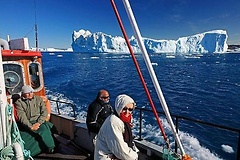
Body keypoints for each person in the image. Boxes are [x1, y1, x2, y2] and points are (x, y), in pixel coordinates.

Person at [15, 85, 57, 156]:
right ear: (23, 94)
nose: (30, 94)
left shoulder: (38, 99)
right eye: (28, 93)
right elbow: (22, 117)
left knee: (44, 130)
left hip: (38, 121)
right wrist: (30, 126)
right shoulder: (19, 103)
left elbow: (44, 112)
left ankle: (51, 147)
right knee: (22, 136)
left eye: (31, 92)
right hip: (27, 123)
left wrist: (38, 123)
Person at [94, 94, 139, 160]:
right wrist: (134, 156)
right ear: (119, 107)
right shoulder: (114, 122)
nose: (127, 112)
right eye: (124, 108)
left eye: (130, 109)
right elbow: (120, 150)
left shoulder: (122, 119)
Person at [86, 89, 113, 158]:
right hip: (96, 132)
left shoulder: (107, 105)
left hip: (104, 132)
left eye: (108, 97)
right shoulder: (94, 107)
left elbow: (112, 114)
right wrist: (103, 128)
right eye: (106, 97)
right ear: (100, 98)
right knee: (97, 150)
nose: (108, 98)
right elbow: (91, 122)